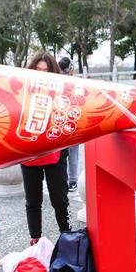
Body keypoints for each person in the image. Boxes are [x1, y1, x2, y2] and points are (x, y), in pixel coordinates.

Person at [21, 52, 71, 245]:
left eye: (46, 70)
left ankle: (67, 237)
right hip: (29, 154)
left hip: (55, 153)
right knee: (33, 202)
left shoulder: (63, 92)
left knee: (60, 200)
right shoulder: (23, 91)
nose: (41, 74)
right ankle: (35, 239)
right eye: (38, 70)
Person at [58, 57, 80, 192]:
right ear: (70, 69)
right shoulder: (74, 82)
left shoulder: (54, 80)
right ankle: (72, 180)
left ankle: (63, 179)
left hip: (59, 120)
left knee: (60, 152)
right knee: (73, 152)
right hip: (73, 119)